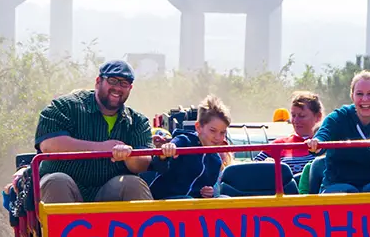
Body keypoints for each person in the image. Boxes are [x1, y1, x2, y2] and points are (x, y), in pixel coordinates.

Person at [33, 60, 154, 203]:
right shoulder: (64, 107)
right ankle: (60, 219)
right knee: (57, 181)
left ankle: (147, 219)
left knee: (133, 184)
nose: (117, 88)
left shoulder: (137, 122)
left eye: (124, 84)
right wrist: (103, 147)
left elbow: (143, 163)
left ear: (130, 88)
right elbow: (49, 146)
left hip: (109, 194)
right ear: (98, 82)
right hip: (65, 189)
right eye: (112, 81)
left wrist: (128, 155)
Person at [305, 71, 370, 193]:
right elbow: (323, 134)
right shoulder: (338, 117)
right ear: (352, 97)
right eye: (359, 94)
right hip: (335, 185)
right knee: (347, 190)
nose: (365, 99)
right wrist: (316, 143)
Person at [148, 95, 231, 199]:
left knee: (224, 199)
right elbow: (158, 164)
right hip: (165, 200)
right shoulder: (183, 142)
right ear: (198, 127)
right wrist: (166, 152)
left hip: (192, 204)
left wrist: (208, 192)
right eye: (213, 131)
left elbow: (203, 191)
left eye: (222, 132)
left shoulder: (215, 161)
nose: (217, 137)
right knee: (188, 200)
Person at [253, 91, 325, 174]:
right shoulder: (278, 145)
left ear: (318, 116)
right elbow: (252, 168)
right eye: (293, 115)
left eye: (302, 116)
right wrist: (266, 165)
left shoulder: (327, 144)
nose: (296, 120)